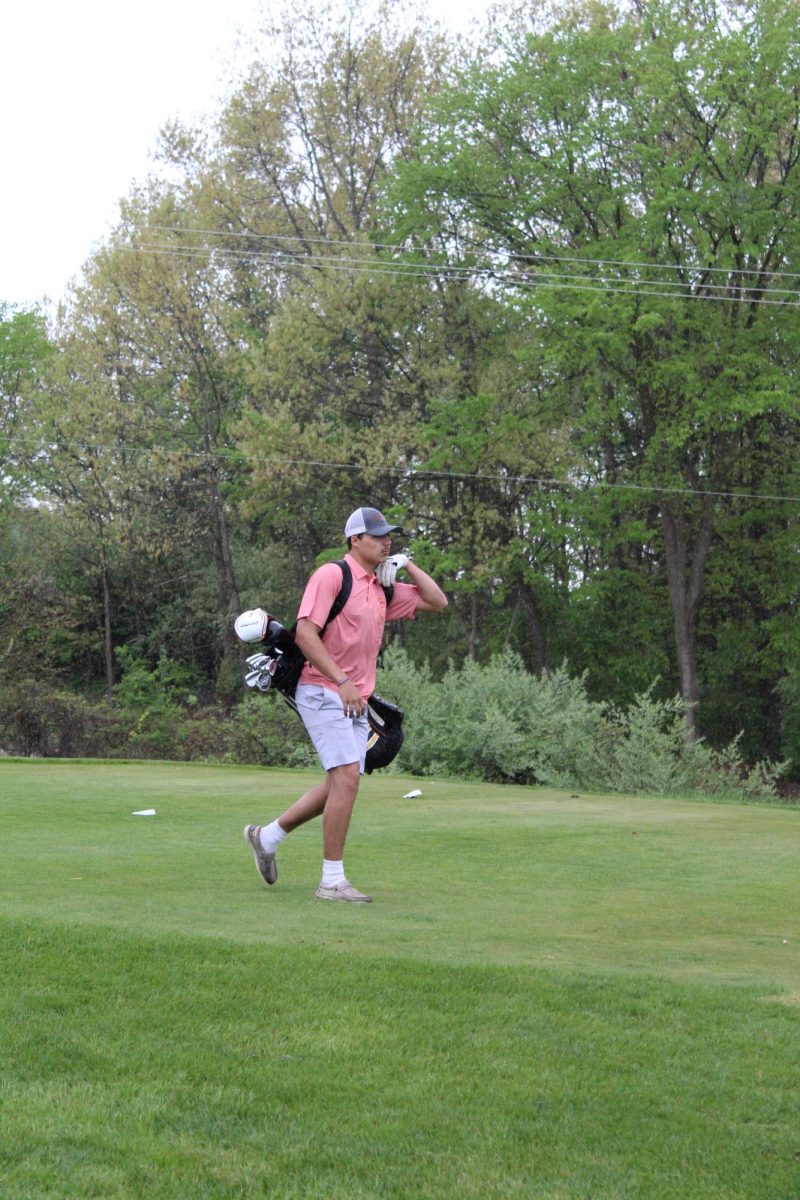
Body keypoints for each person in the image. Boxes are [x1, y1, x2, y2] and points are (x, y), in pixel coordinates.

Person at [243, 506, 448, 903]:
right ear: (356, 540)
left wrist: (407, 565)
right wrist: (342, 681)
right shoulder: (332, 575)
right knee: (347, 779)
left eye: (389, 537)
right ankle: (331, 882)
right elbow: (305, 634)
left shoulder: (381, 586)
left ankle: (266, 837)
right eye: (378, 536)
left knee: (341, 782)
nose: (387, 541)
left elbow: (437, 602)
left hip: (354, 698)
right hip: (322, 689)